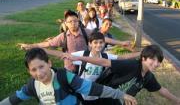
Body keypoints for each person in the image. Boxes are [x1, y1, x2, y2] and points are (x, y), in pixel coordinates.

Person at [0, 48, 137, 105]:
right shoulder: (33, 85)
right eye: (33, 70)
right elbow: (15, 98)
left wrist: (121, 95)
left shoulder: (64, 77)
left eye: (41, 67)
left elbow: (93, 88)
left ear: (49, 63)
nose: (39, 73)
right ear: (29, 71)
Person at [42, 32, 140, 105]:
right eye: (95, 42)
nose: (98, 45)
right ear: (90, 44)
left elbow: (122, 58)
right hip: (80, 92)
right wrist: (42, 50)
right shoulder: (83, 54)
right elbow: (63, 54)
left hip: (96, 93)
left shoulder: (106, 57)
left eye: (101, 42)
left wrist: (141, 53)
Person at [64, 45, 180, 105]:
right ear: (143, 58)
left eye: (159, 61)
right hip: (104, 100)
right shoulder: (131, 65)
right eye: (152, 60)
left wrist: (177, 100)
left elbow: (161, 90)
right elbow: (104, 62)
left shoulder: (148, 77)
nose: (156, 64)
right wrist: (79, 57)